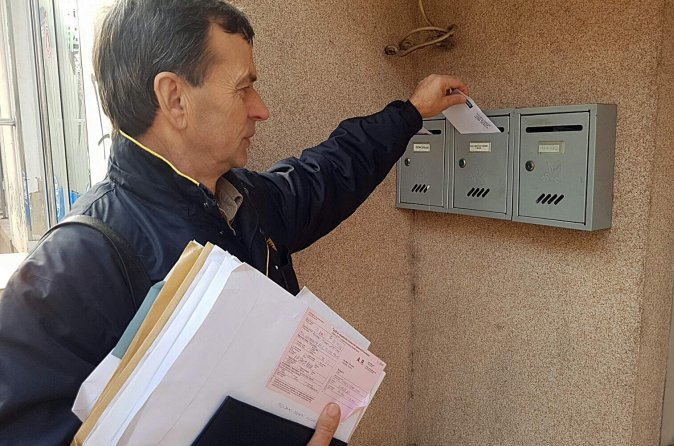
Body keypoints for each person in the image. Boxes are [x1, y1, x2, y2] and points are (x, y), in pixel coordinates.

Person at [0, 0, 467, 444]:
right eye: (243, 88)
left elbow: (327, 174)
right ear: (174, 97)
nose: (261, 108)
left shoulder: (241, 200)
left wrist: (411, 113)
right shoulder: (72, 265)